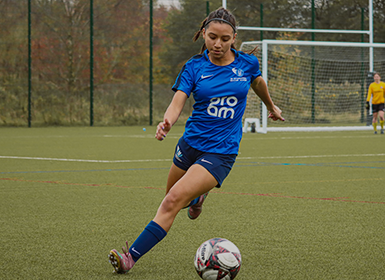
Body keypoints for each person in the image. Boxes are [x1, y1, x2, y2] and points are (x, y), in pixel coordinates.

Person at [108, 7, 284, 274]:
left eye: (225, 39)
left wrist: (271, 106)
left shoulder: (246, 64)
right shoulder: (194, 67)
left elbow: (258, 83)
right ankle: (196, 199)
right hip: (189, 146)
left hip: (221, 152)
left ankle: (129, 258)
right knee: (171, 198)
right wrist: (167, 121)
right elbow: (178, 100)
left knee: (171, 201)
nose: (218, 44)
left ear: (234, 38)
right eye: (212, 37)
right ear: (204, 33)